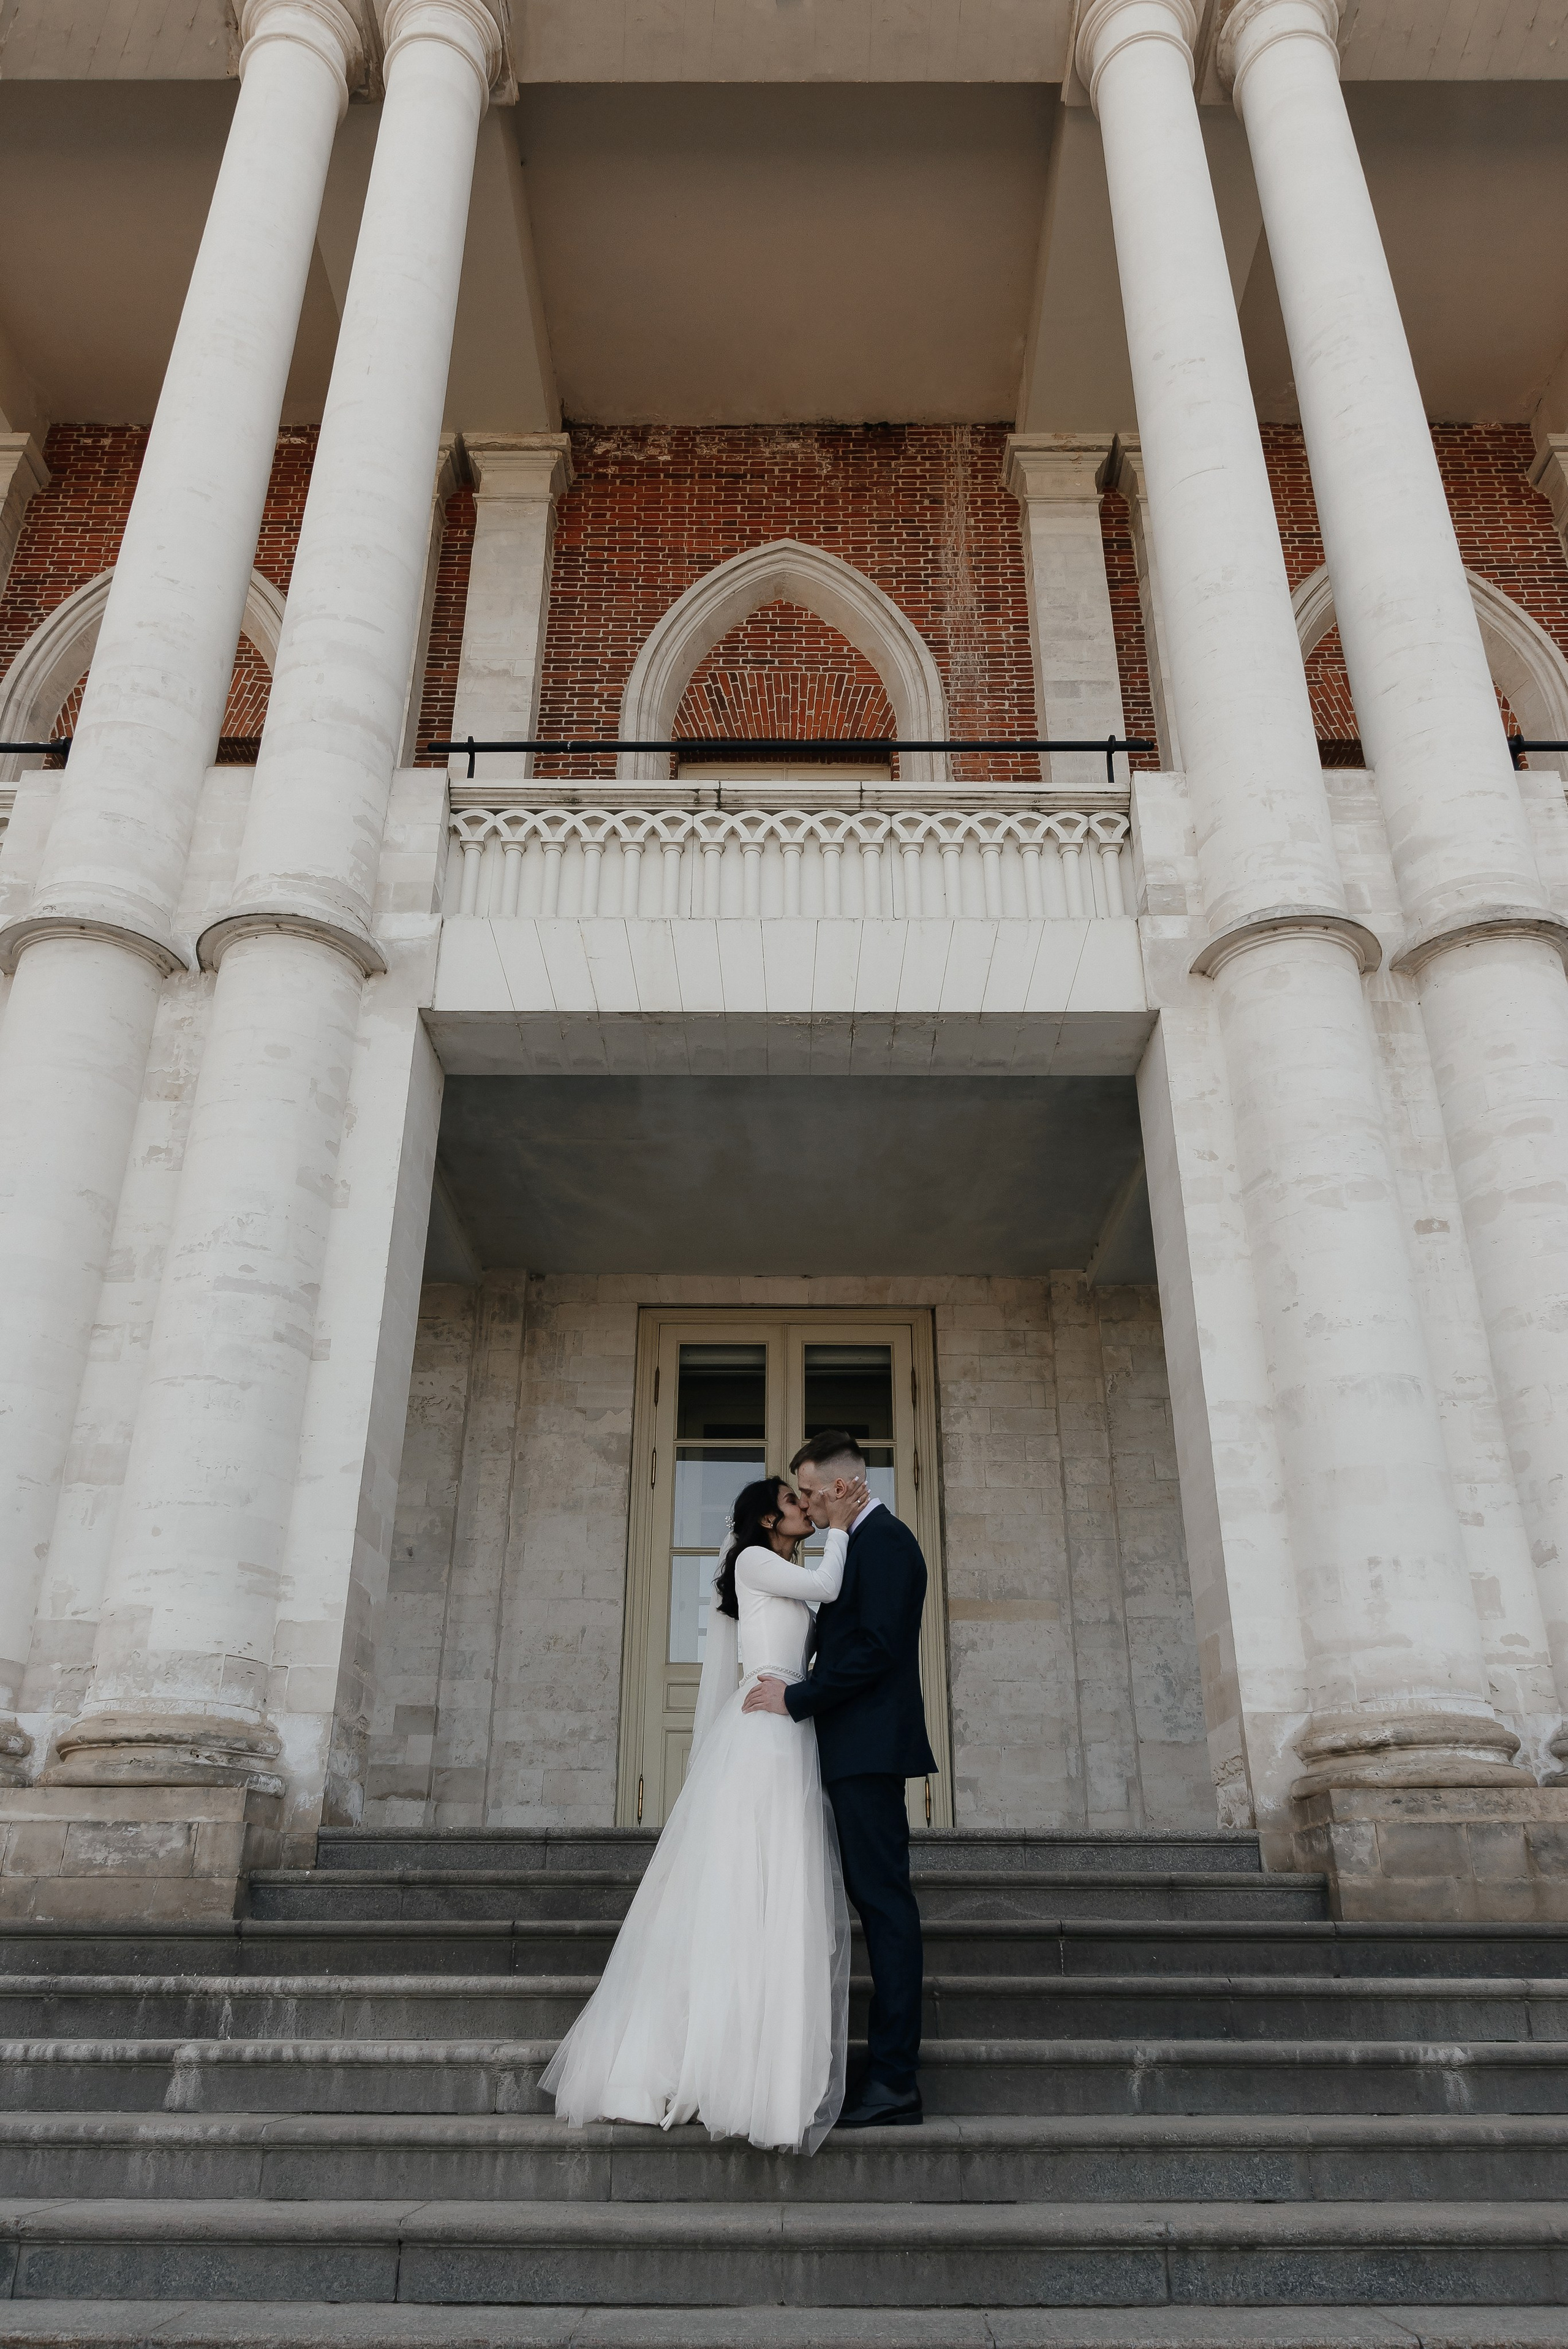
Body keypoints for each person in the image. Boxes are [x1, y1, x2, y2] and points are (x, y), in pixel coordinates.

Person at [540, 1468, 868, 2154]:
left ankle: (763, 2070)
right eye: (792, 1500)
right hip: (762, 1728)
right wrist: (840, 1525)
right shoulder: (753, 1560)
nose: (802, 1506)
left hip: (791, 1725)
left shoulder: (782, 1573)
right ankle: (700, 2061)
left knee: (780, 1880)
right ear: (767, 1520)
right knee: (743, 1876)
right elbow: (829, 1585)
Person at [743, 1428, 937, 2129]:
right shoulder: (860, 1540)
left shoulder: (886, 1542)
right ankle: (885, 2074)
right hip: (850, 1747)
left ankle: (893, 2080)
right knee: (874, 1901)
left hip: (869, 1749)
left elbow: (875, 1650)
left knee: (884, 1905)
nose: (806, 1504)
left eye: (809, 1492)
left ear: (839, 1485)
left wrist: (798, 1696)